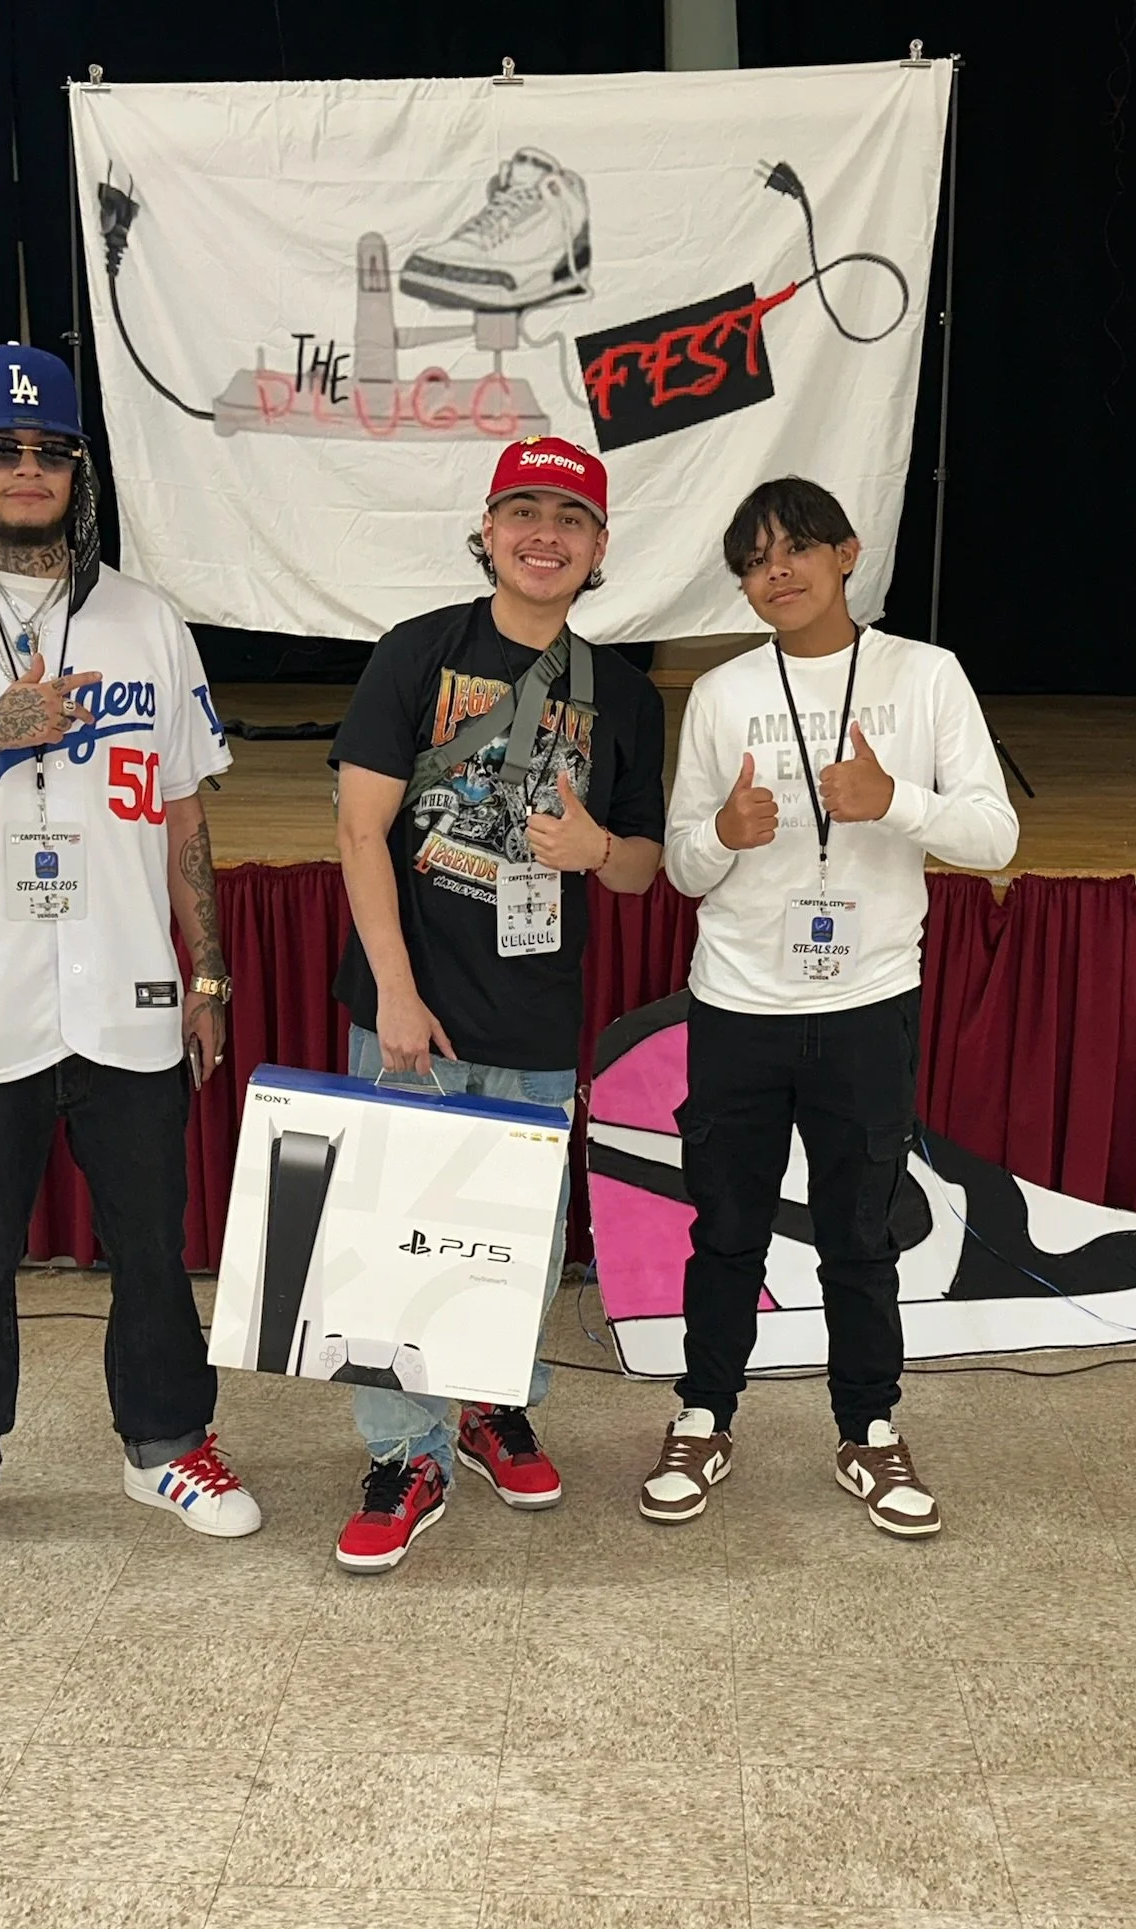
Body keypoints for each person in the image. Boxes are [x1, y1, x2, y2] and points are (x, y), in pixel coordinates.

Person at [0, 343, 261, 1578]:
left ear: (80, 471)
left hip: (127, 988)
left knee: (151, 1238)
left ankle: (166, 1439)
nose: (29, 470)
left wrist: (210, 972)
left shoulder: (146, 619)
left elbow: (186, 807)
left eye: (51, 452)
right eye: (3, 450)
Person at [639, 476, 1019, 1537]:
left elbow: (997, 838)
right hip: (738, 1003)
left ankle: (870, 1427)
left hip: (866, 1001)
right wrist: (726, 831)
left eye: (798, 547)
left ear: (848, 552)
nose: (778, 571)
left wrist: (893, 800)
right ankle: (704, 1411)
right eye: (756, 559)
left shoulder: (926, 676)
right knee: (725, 1228)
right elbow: (681, 866)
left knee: (861, 1234)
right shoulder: (719, 695)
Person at [330, 436, 665, 1571]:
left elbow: (641, 869)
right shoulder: (417, 654)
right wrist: (396, 994)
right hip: (410, 1003)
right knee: (398, 1231)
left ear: (600, 547)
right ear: (487, 529)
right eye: (523, 511)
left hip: (534, 1007)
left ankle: (484, 1407)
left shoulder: (621, 691)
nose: (544, 536)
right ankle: (403, 1449)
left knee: (514, 1241)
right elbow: (360, 827)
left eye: (570, 519)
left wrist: (596, 843)